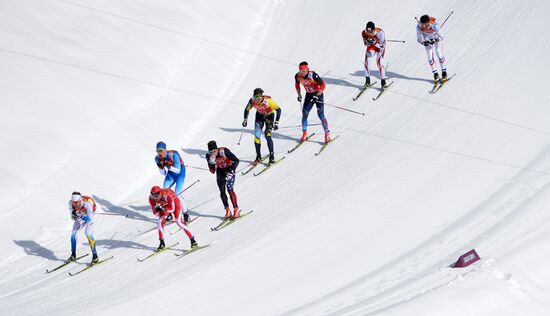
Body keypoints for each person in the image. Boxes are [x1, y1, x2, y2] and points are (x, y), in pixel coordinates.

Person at [148, 186, 197, 250]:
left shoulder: (167, 195)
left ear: (160, 193)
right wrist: (158, 210)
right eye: (153, 196)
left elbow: (172, 209)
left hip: (175, 203)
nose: (155, 198)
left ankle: (193, 240)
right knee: (160, 221)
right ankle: (162, 242)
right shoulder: (151, 199)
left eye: (156, 196)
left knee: (179, 222)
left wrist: (163, 209)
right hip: (165, 206)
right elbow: (155, 213)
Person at [242, 88, 282, 164]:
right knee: (257, 136)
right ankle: (258, 156)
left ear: (262, 97)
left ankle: (272, 155)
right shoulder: (252, 101)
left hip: (269, 116)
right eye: (255, 99)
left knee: (267, 135)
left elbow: (278, 110)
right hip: (259, 117)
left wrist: (276, 122)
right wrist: (245, 119)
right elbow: (247, 109)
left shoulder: (268, 100)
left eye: (259, 99)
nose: (257, 101)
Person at [294, 61, 331, 143]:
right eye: (300, 71)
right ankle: (304, 133)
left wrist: (317, 95)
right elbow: (297, 85)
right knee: (305, 113)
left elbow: (323, 85)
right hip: (309, 95)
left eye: (303, 71)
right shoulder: (297, 76)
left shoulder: (313, 74)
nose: (302, 73)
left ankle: (327, 133)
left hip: (318, 94)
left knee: (320, 114)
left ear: (307, 69)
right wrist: (299, 95)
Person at [154, 141, 190, 222]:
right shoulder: (157, 158)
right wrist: (160, 166)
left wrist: (168, 166)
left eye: (161, 150)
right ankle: (169, 213)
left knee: (177, 194)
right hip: (171, 174)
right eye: (157, 151)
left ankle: (186, 214)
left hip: (180, 173)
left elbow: (177, 170)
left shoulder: (173, 154)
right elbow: (163, 173)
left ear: (165, 149)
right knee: (164, 192)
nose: (159, 153)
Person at [205, 140, 240, 219]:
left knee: (230, 189)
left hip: (229, 168)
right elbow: (212, 171)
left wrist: (231, 171)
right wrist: (211, 163)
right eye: (211, 152)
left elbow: (237, 160)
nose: (212, 153)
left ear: (217, 149)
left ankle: (236, 209)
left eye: (214, 151)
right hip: (220, 171)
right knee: (222, 191)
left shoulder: (223, 151)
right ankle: (227, 210)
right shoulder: (208, 156)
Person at [67, 192, 98, 264]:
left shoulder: (87, 204)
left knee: (88, 233)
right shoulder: (70, 204)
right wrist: (74, 216)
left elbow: (89, 219)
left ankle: (95, 256)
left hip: (89, 216)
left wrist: (80, 216)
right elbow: (73, 217)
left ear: (80, 200)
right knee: (73, 234)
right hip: (81, 217)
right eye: (73, 203)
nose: (75, 205)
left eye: (76, 203)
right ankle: (73, 255)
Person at [416, 14, 447, 83]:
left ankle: (444, 72)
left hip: (436, 38)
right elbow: (419, 39)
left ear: (428, 22)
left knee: (438, 53)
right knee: (430, 58)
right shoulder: (419, 27)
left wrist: (436, 40)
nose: (425, 27)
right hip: (427, 39)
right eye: (424, 25)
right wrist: (424, 42)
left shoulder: (434, 25)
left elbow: (442, 36)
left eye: (426, 25)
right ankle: (435, 74)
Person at [361, 21, 387, 88]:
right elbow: (366, 44)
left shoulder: (381, 33)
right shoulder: (364, 33)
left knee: (379, 63)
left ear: (374, 30)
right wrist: (367, 42)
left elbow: (382, 47)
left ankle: (383, 82)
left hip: (379, 47)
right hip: (372, 46)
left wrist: (374, 42)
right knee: (367, 61)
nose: (369, 34)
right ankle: (367, 81)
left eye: (371, 32)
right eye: (368, 32)